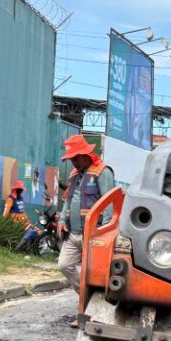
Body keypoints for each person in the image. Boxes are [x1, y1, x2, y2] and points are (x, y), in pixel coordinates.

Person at [57, 135, 111, 324]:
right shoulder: (74, 174)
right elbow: (68, 200)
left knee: (93, 275)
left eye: (75, 157)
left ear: (85, 154)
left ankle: (88, 314)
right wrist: (62, 219)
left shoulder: (102, 171)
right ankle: (88, 299)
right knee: (64, 265)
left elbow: (109, 202)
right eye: (70, 158)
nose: (72, 161)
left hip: (93, 234)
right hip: (73, 233)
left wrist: (105, 230)